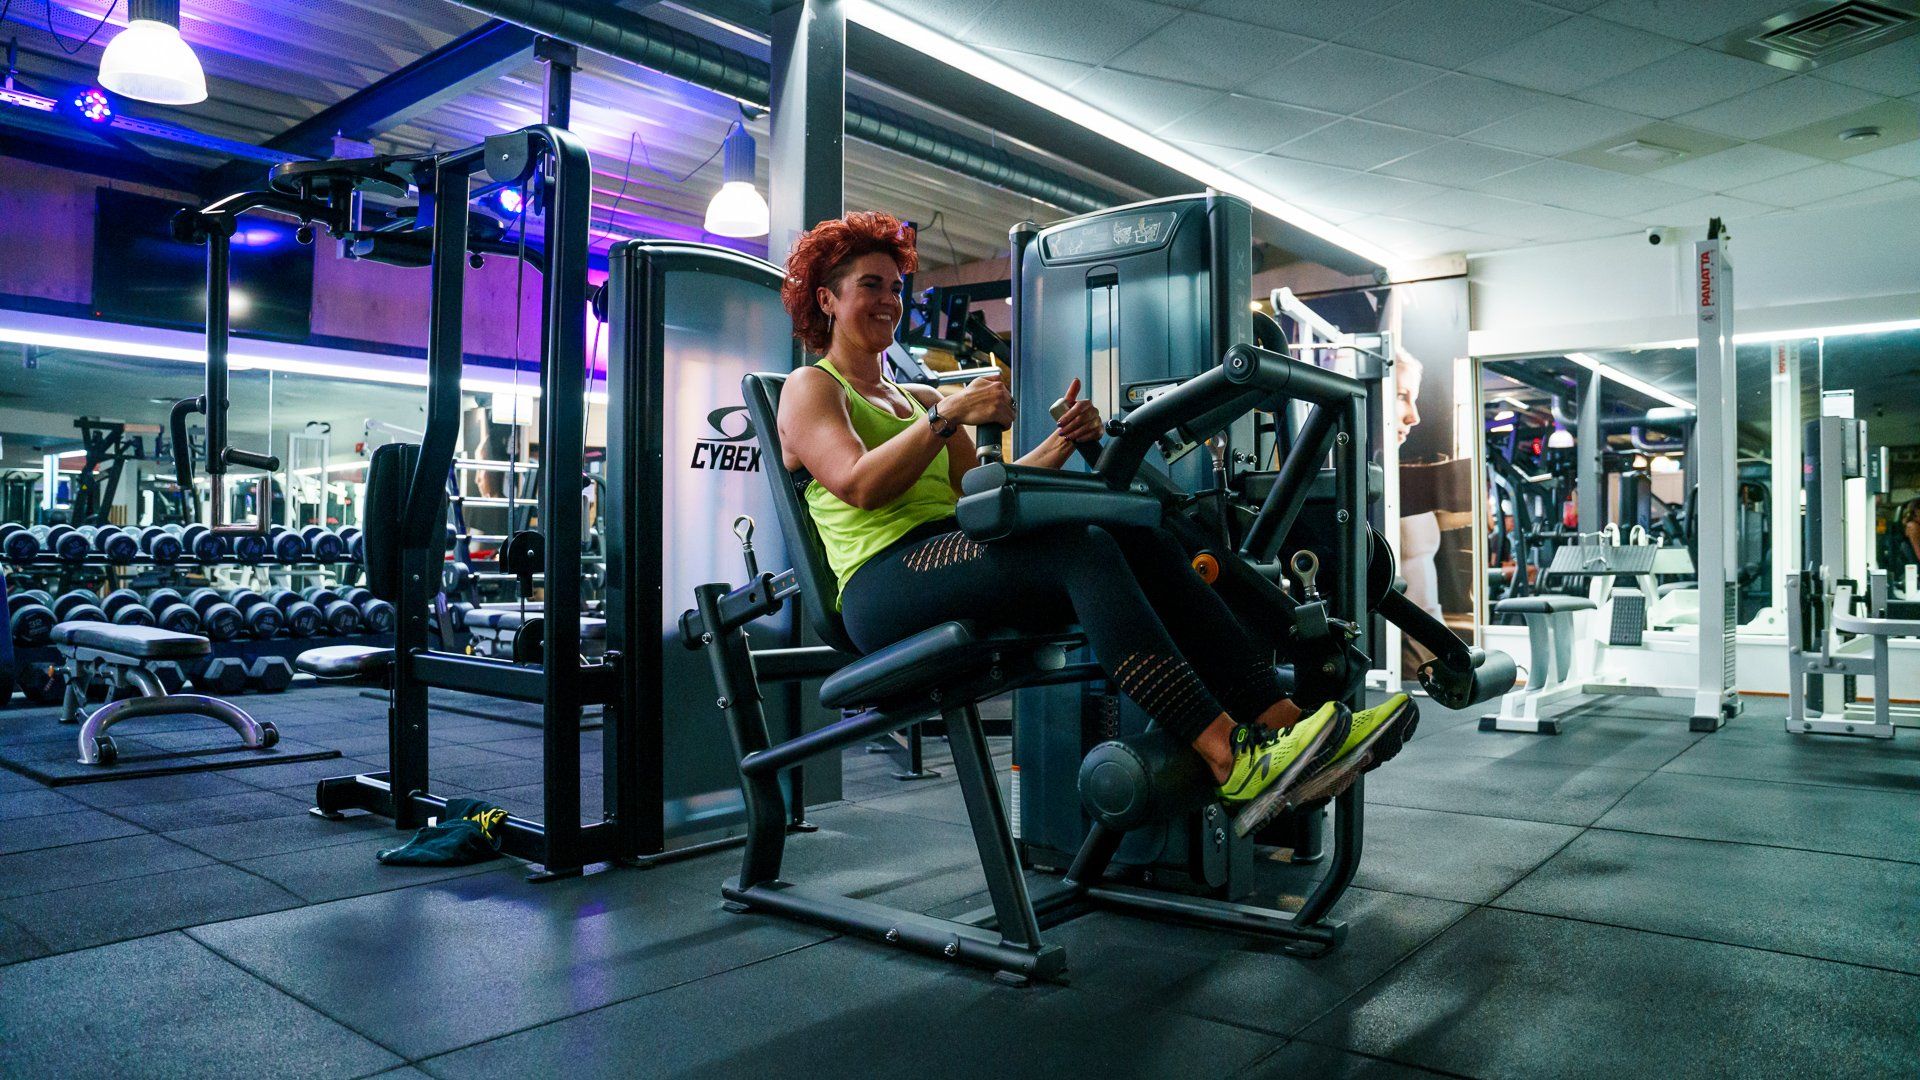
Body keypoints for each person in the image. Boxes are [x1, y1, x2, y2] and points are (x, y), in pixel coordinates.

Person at [776, 211, 1415, 835]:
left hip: (950, 552)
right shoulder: (813, 386)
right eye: (870, 286)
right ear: (827, 300)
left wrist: (1059, 442)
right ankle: (1230, 757)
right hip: (881, 586)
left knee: (1139, 534)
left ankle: (1278, 721)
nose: (888, 300)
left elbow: (983, 492)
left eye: (894, 287)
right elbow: (858, 484)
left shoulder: (917, 399)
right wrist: (950, 415)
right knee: (1080, 548)